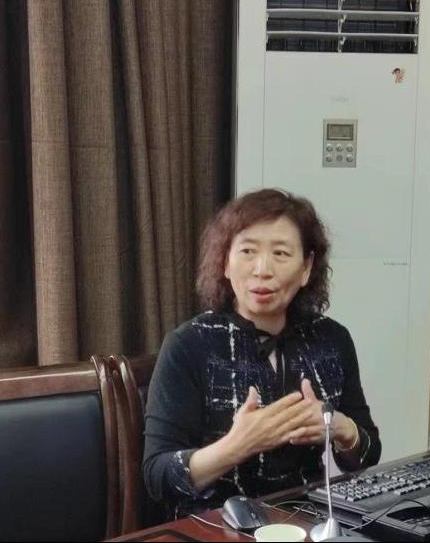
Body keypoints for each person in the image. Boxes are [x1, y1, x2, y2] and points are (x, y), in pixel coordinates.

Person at [143, 189, 381, 518]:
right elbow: (158, 477)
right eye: (247, 251)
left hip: (306, 520)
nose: (262, 269)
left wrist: (341, 428)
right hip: (216, 525)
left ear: (306, 268)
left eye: (281, 253)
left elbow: (367, 455)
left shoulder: (331, 339)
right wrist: (238, 444)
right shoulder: (189, 344)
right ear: (225, 263)